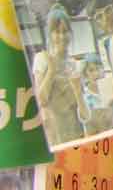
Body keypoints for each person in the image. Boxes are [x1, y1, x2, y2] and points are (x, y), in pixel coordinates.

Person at [29, 8, 85, 149]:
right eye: (57, 32)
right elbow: (41, 99)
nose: (62, 36)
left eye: (65, 31)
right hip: (55, 135)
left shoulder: (73, 64)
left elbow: (80, 108)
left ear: (70, 34)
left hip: (76, 132)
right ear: (50, 34)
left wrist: (79, 91)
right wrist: (52, 71)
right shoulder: (42, 58)